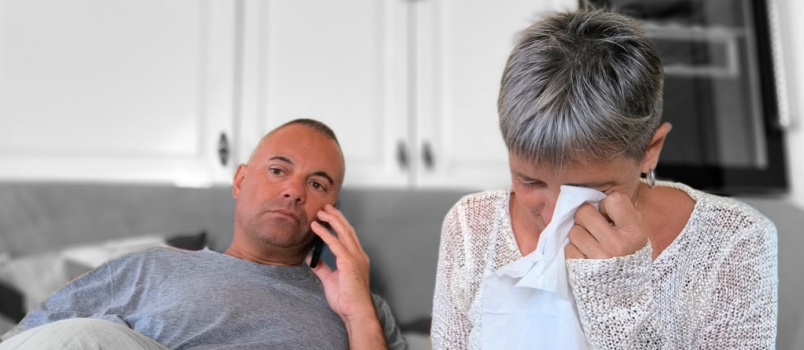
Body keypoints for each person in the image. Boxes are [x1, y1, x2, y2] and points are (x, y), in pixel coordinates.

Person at [431, 9, 777, 350]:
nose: (553, 217)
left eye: (587, 191)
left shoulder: (733, 242)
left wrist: (618, 300)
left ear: (650, 151)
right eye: (530, 181)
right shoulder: (471, 227)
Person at [0, 119, 406, 350]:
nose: (293, 191)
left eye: (317, 184)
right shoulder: (146, 268)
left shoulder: (363, 309)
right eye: (277, 170)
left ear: (333, 209)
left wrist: (358, 315)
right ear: (240, 181)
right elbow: (28, 341)